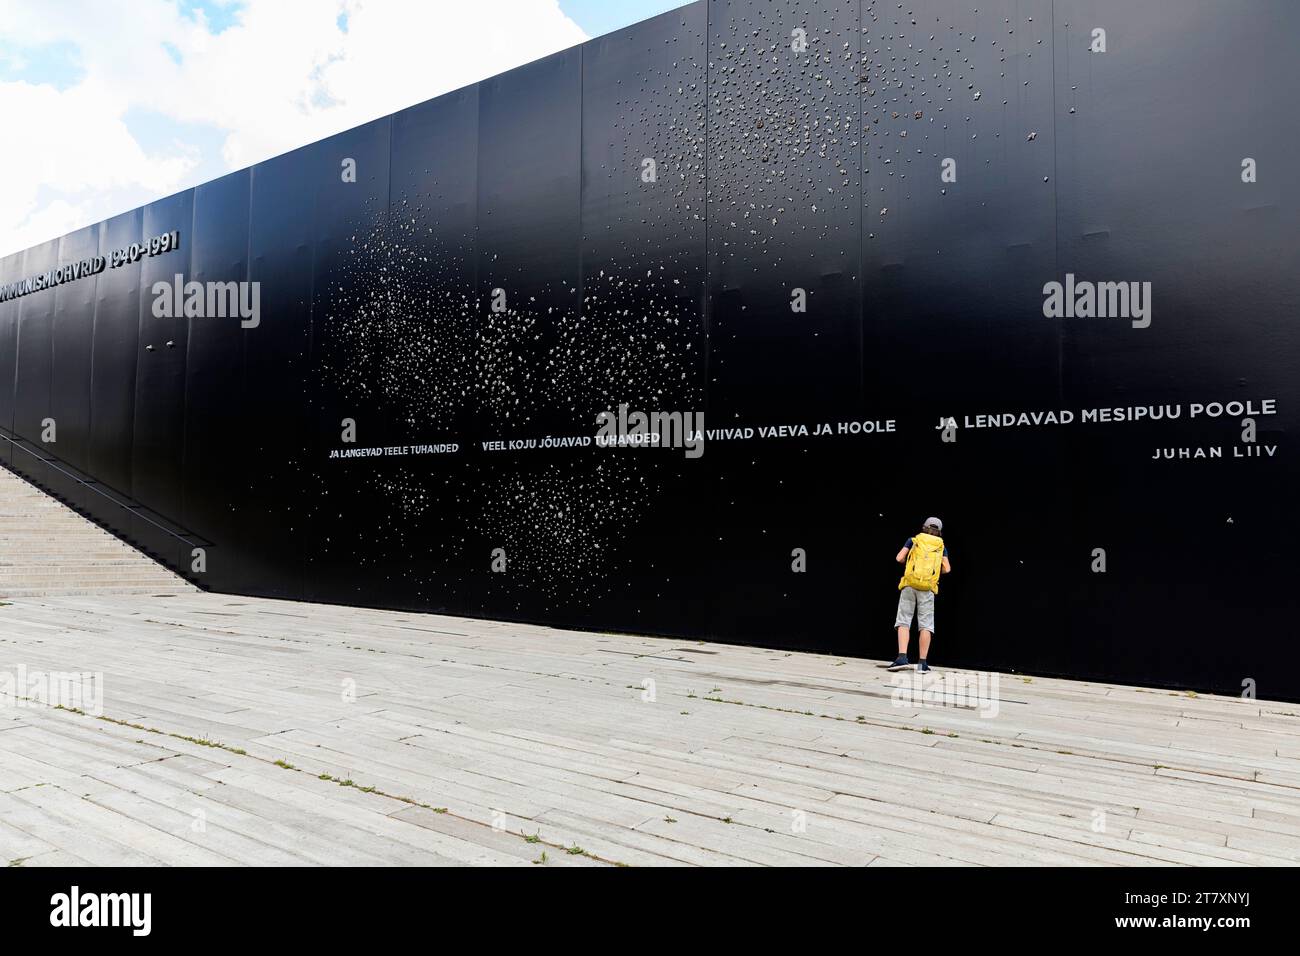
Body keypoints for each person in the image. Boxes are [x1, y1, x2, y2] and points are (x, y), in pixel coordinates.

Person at [887, 517, 951, 672]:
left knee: (904, 620)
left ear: (924, 527)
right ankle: (922, 663)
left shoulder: (914, 540)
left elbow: (899, 558)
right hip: (928, 588)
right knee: (926, 624)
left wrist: (909, 565)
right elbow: (947, 569)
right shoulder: (941, 546)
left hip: (910, 584)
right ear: (939, 531)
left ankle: (902, 658)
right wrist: (934, 573)